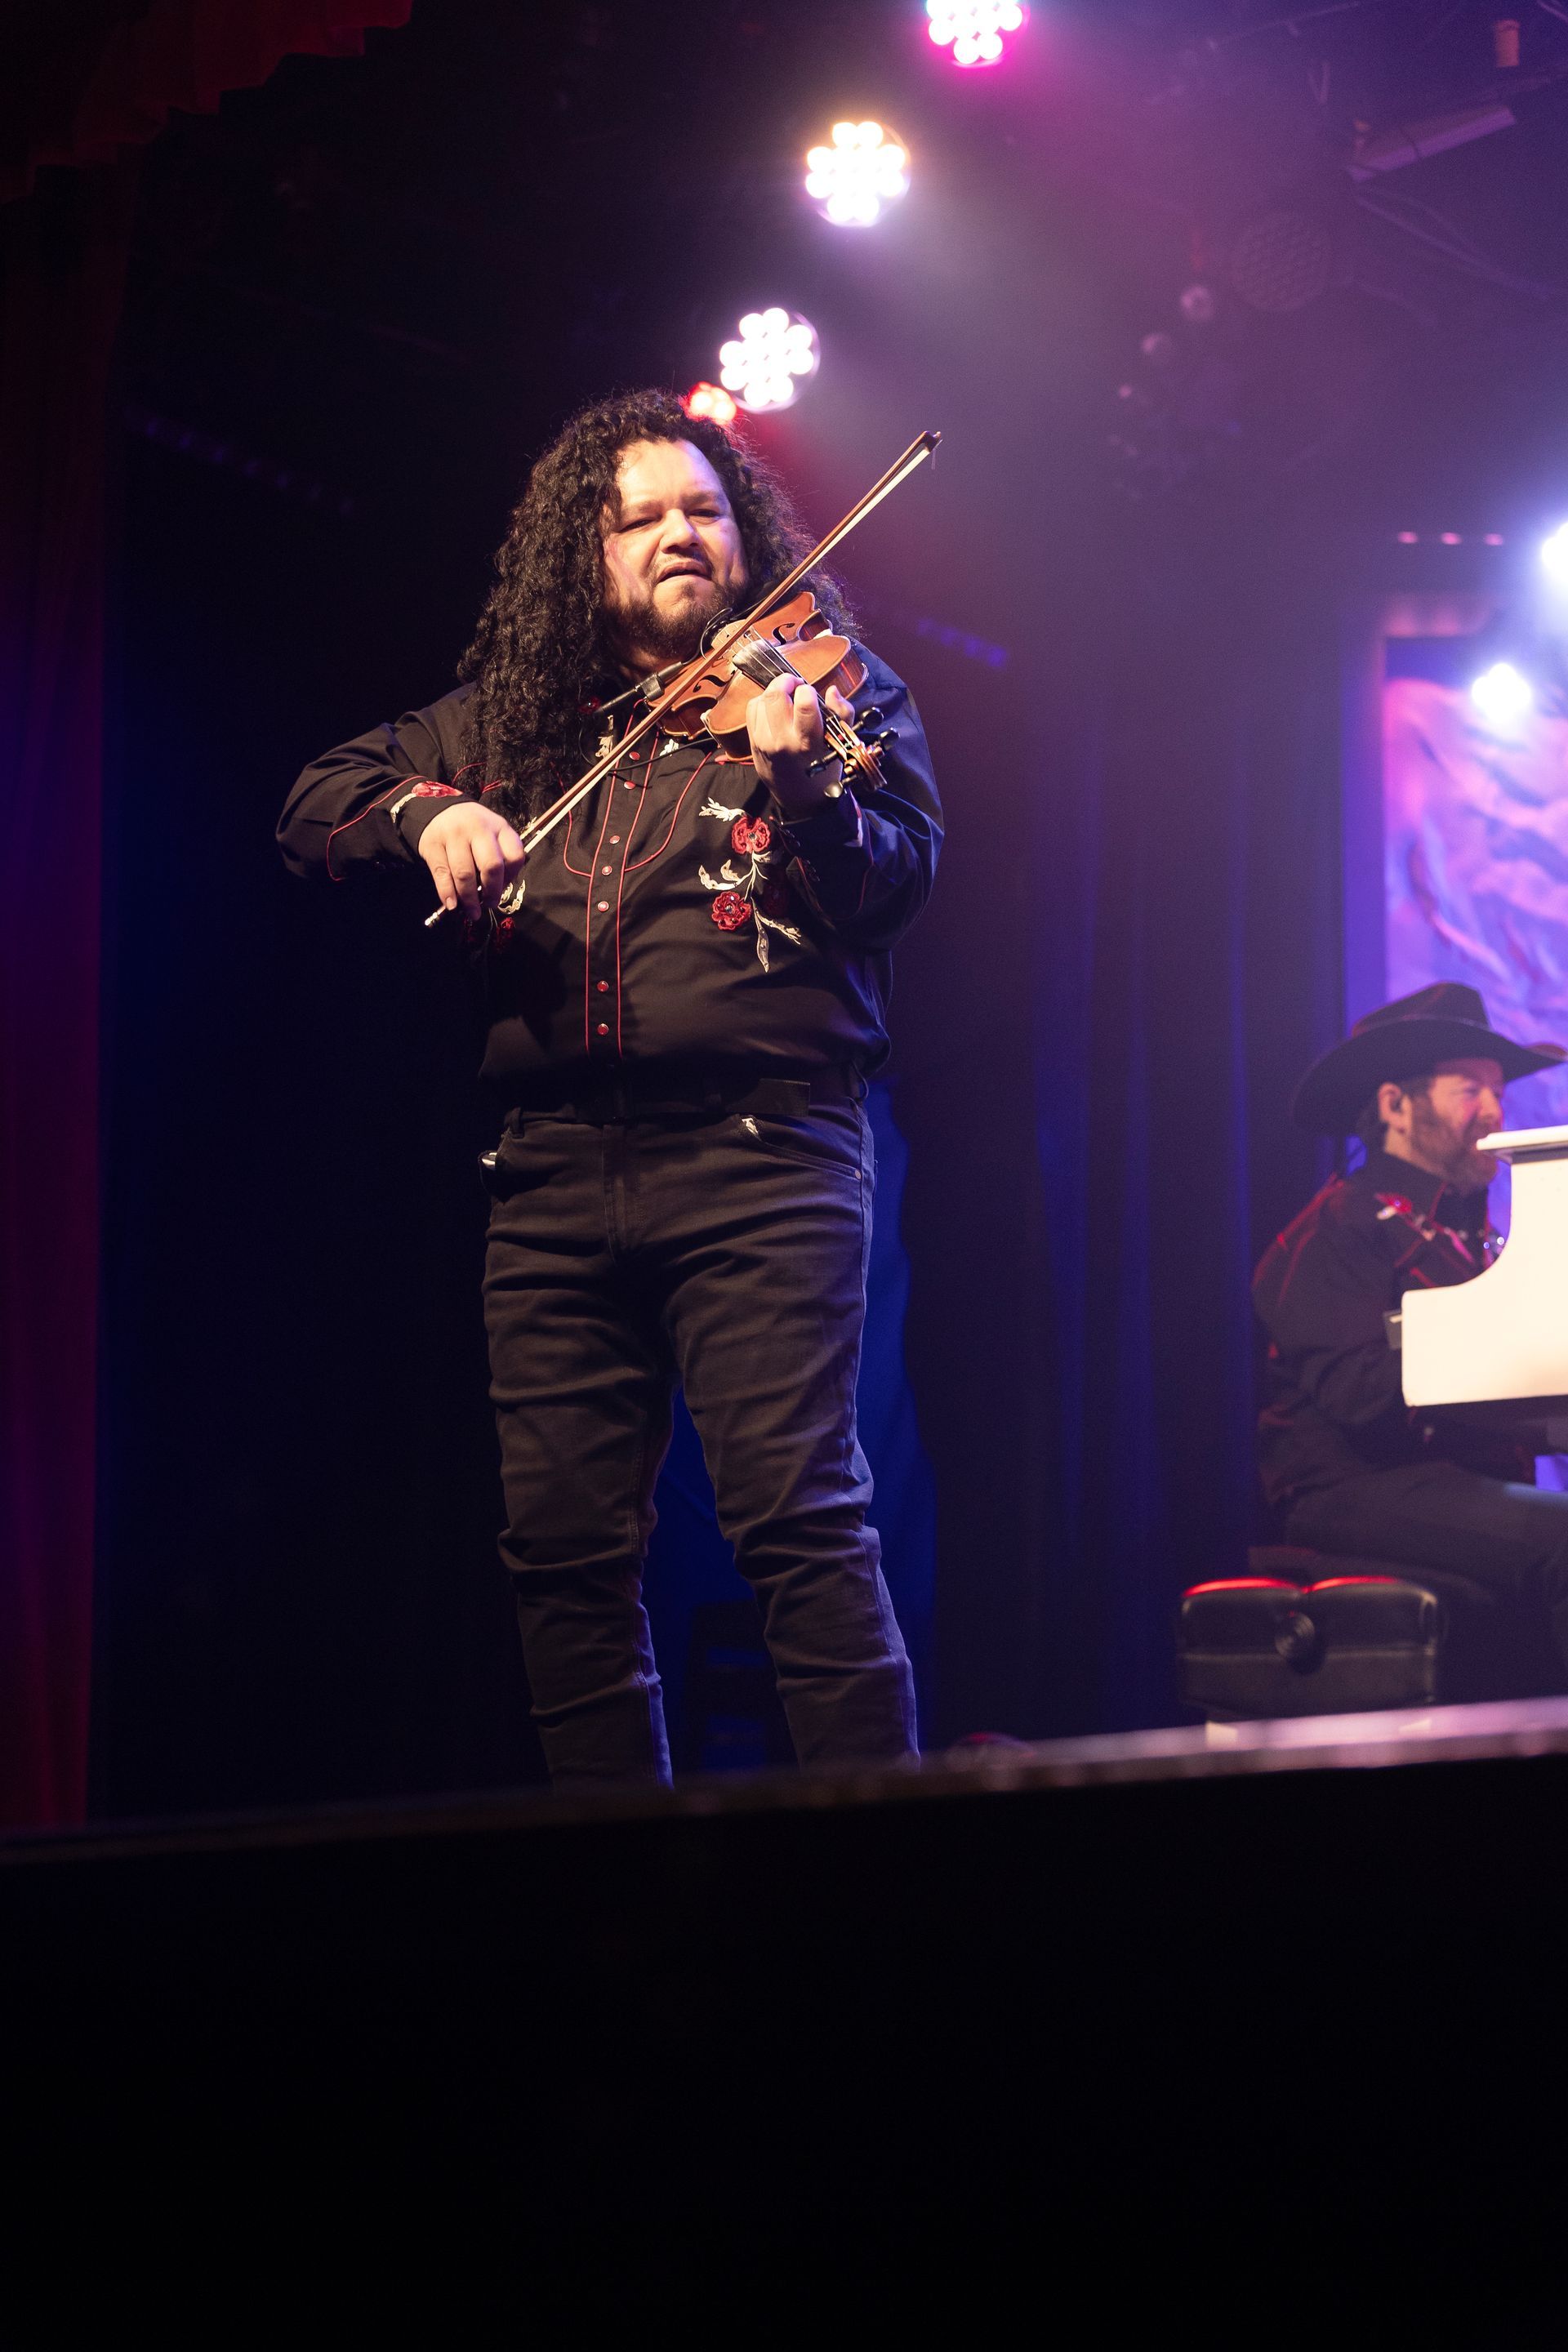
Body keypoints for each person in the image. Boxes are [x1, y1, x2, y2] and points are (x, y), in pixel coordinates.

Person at [278, 389, 940, 1789]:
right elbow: (314, 803)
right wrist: (432, 809)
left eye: (702, 508)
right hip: (552, 1171)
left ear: (745, 531)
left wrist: (807, 784)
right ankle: (619, 1898)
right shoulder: (514, 726)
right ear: (585, 556)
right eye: (637, 517)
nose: (676, 534)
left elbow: (894, 889)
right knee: (563, 1556)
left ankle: (890, 1873)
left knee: (799, 1520)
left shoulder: (829, 688)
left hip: (764, 1154)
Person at [1253, 981, 1568, 1668]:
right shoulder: (1334, 1231)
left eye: (1498, 1093)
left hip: (1456, 1482)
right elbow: (1357, 1395)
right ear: (1396, 1105)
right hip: (1353, 1488)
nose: (1494, 1111)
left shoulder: (1471, 1242)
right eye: (1470, 1091)